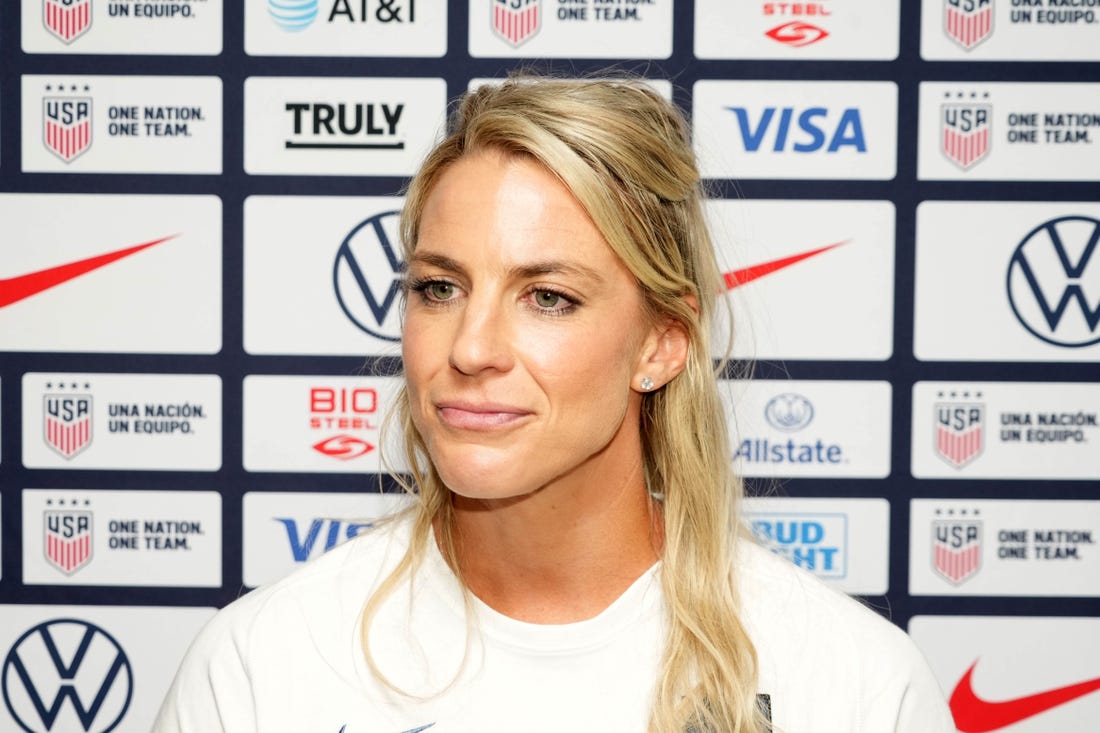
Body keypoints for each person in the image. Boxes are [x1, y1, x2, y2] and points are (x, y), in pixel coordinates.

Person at [153, 75, 954, 733]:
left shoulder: (853, 684)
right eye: (440, 288)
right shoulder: (264, 665)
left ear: (661, 343)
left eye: (547, 296)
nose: (470, 348)